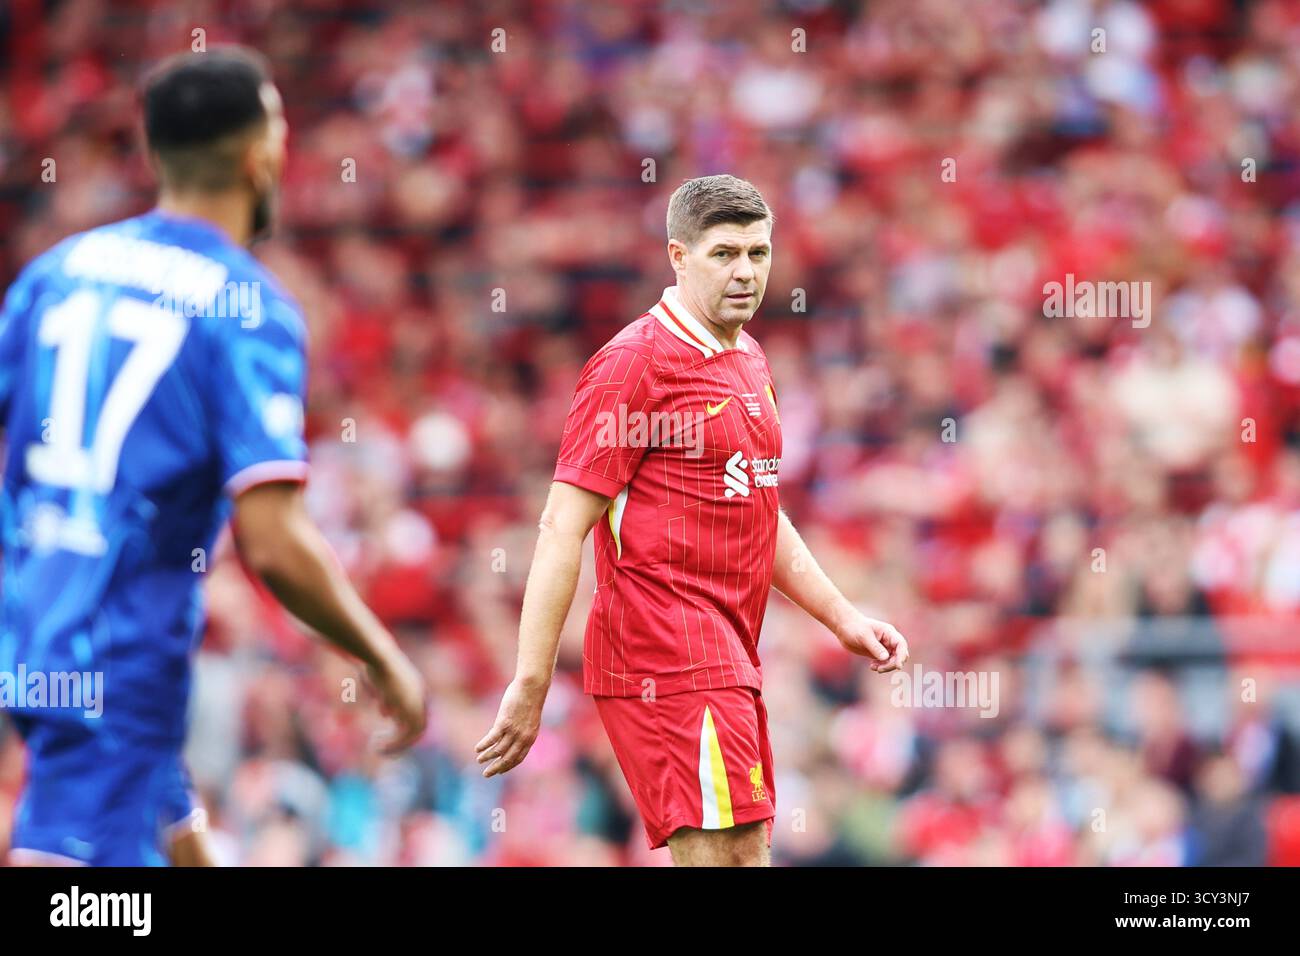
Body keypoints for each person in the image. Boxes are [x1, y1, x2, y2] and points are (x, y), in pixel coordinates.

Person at [0, 46, 427, 866]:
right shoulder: (244, 306)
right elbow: (271, 541)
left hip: (37, 628)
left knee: (175, 846)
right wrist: (380, 655)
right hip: (115, 657)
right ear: (261, 155)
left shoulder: (56, 273)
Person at [476, 174, 909, 866]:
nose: (746, 272)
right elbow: (561, 526)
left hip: (728, 653)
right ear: (679, 257)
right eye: (724, 253)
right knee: (727, 856)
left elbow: (759, 507)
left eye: (759, 253)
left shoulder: (747, 358)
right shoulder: (633, 366)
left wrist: (842, 618)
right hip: (665, 653)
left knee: (743, 851)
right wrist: (531, 680)